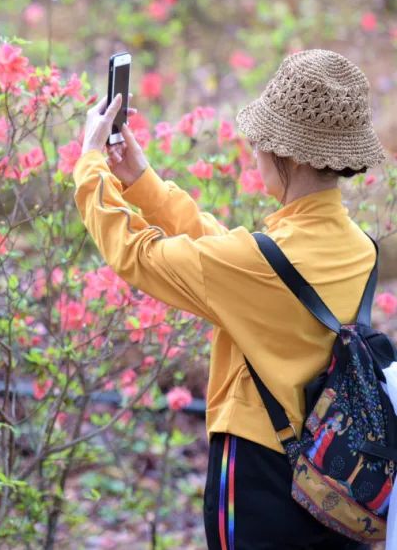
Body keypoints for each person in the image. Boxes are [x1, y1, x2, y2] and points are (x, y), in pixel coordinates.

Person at [73, 49, 391, 549]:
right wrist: (143, 183)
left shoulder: (257, 263)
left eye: (262, 141)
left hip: (263, 480)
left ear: (290, 154)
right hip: (339, 479)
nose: (255, 150)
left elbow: (140, 255)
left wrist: (91, 165)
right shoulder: (360, 248)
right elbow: (240, 265)